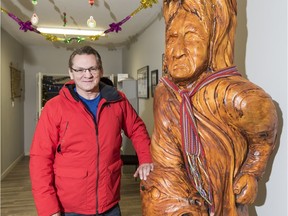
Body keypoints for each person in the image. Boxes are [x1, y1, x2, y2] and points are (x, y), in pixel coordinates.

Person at [141, 0, 278, 216]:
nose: (177, 51)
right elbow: (165, 157)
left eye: (191, 37)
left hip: (227, 201)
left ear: (214, 40)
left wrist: (252, 172)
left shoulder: (236, 95)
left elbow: (264, 133)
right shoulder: (165, 94)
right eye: (172, 38)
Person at [30, 45, 154, 216]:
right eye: (80, 70)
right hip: (70, 207)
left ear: (100, 70)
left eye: (92, 68)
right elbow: (40, 160)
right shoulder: (54, 108)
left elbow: (137, 128)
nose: (87, 75)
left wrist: (145, 158)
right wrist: (48, 209)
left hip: (109, 203)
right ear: (71, 72)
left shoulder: (117, 100)